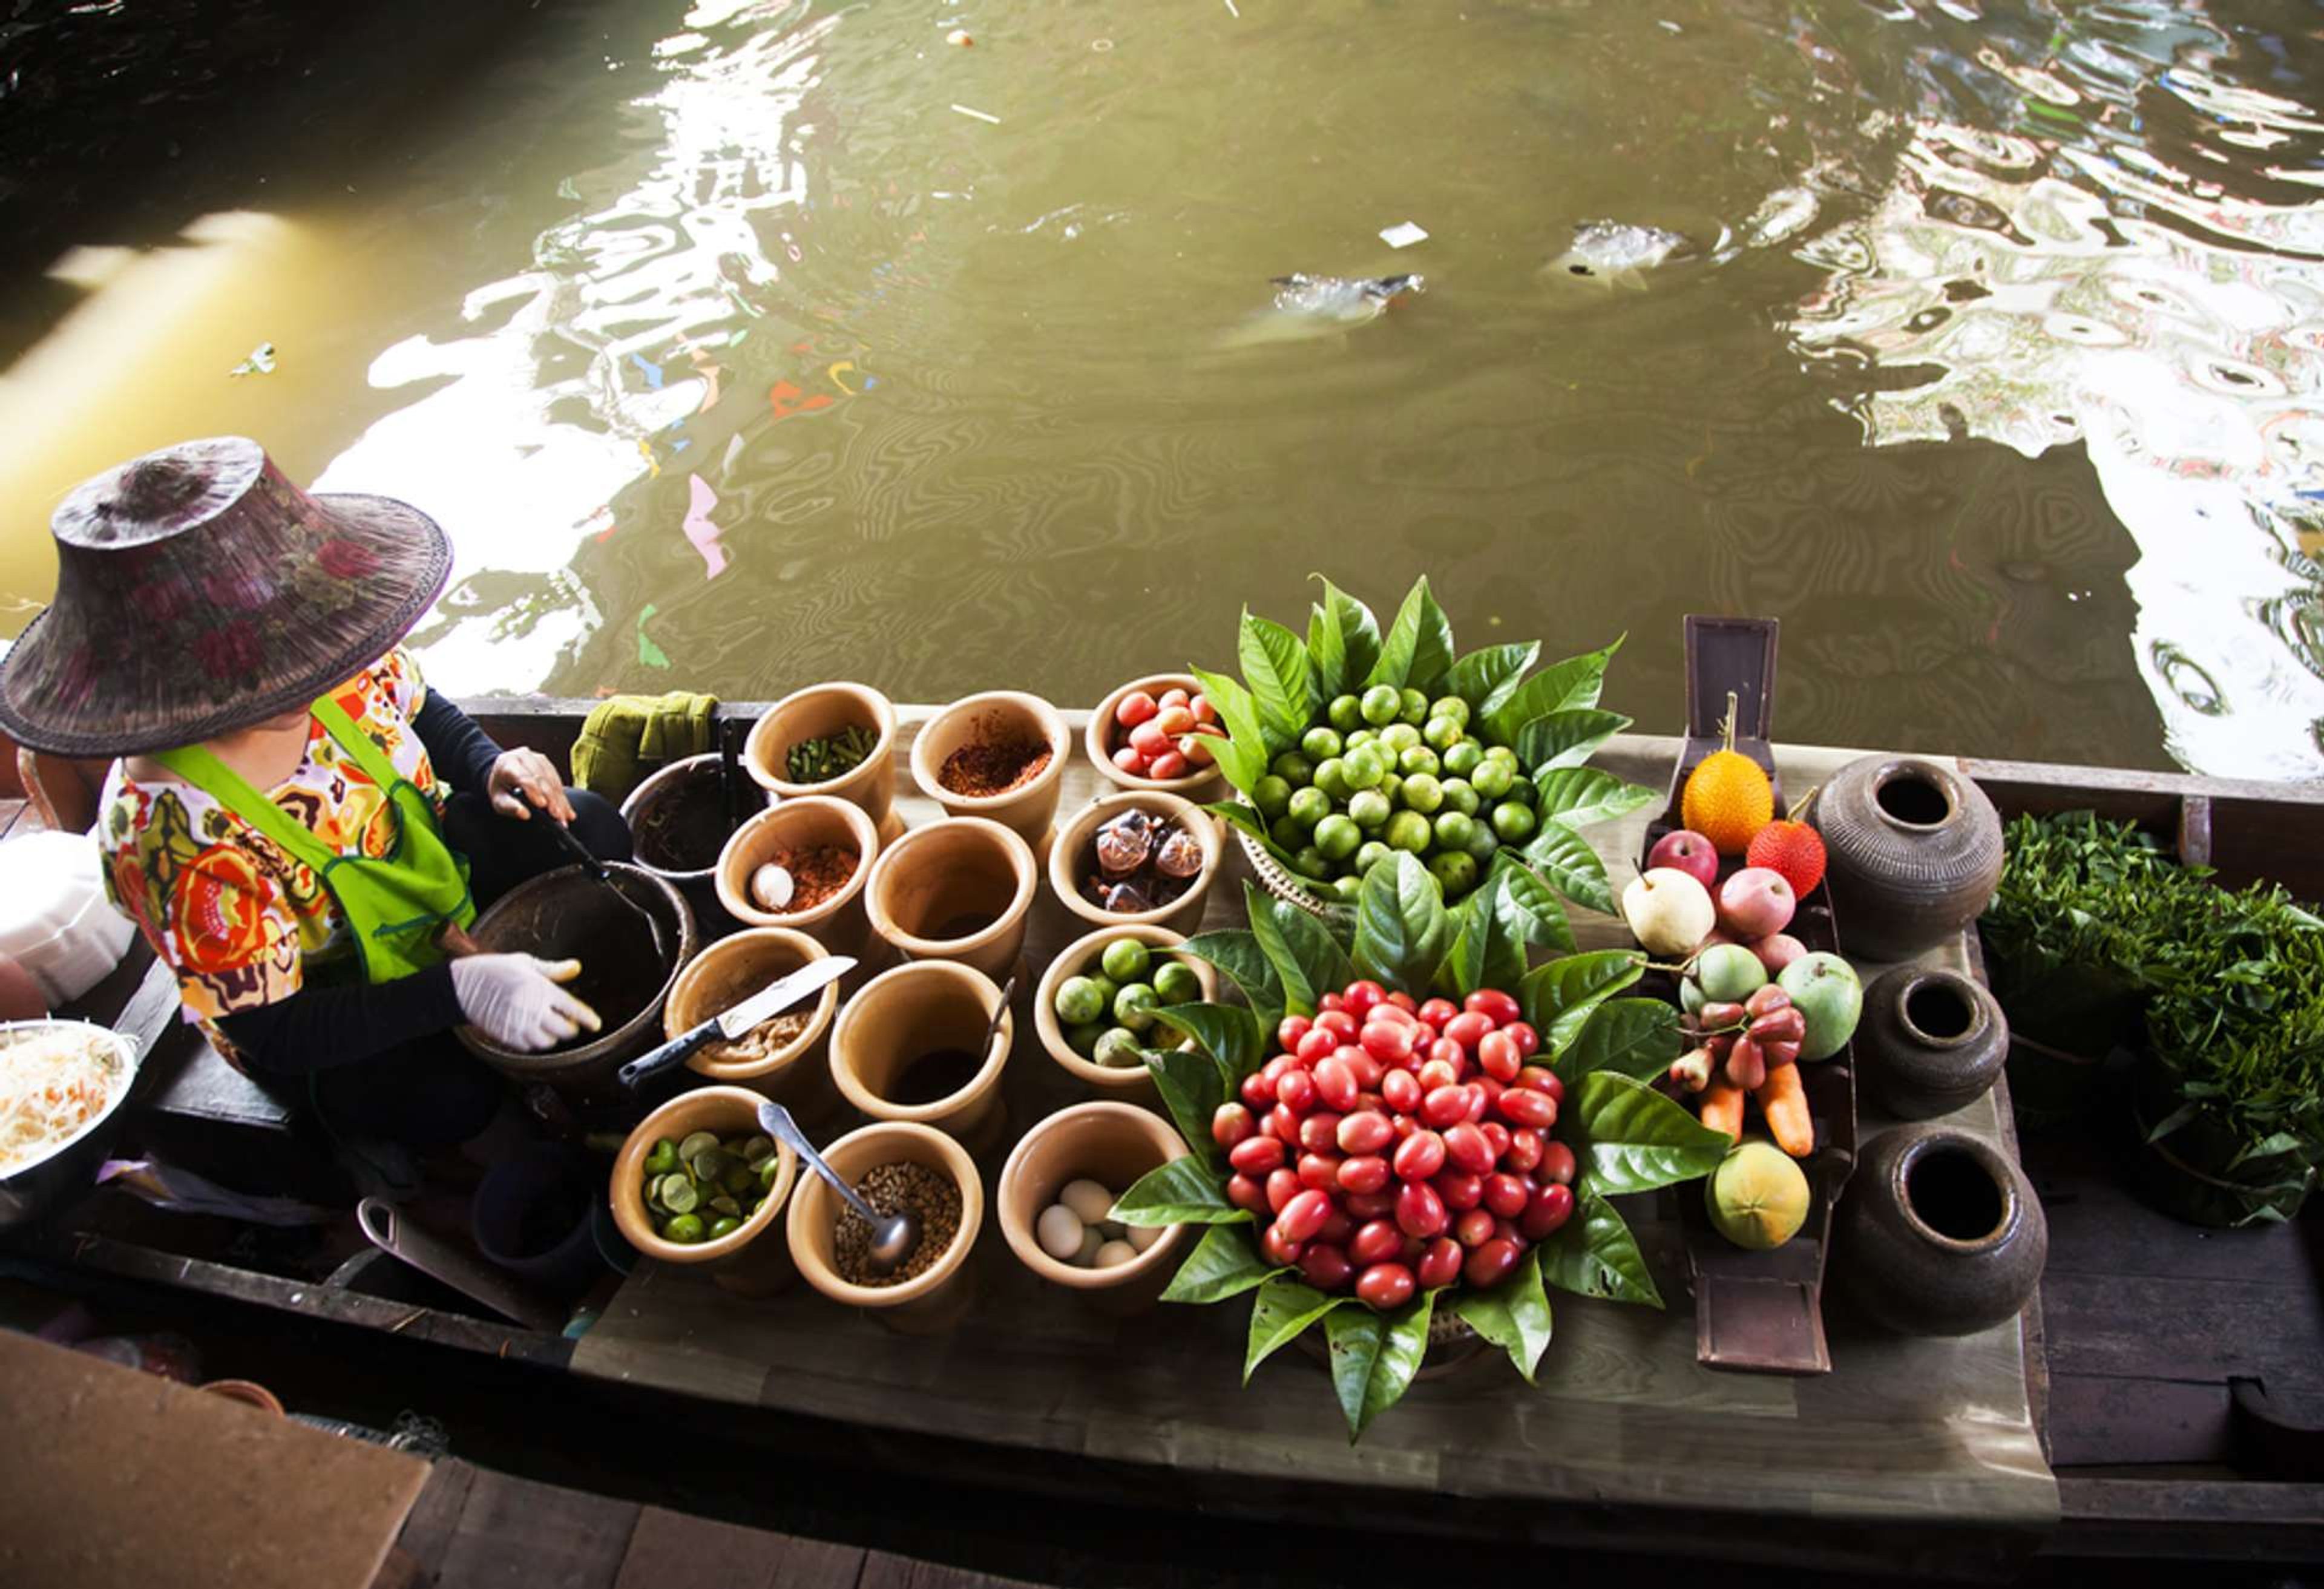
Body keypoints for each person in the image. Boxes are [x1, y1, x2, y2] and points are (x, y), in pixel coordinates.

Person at [0, 436, 630, 1158]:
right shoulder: (168, 834)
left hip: (425, 869)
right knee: (454, 1097)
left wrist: (489, 765)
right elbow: (272, 1028)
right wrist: (456, 992)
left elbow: (425, 710)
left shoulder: (325, 644)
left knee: (595, 829)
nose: (308, 678)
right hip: (327, 992)